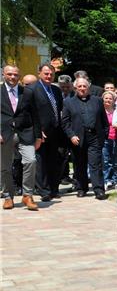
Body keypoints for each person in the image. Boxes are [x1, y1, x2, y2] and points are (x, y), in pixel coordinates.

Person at [61, 77, 108, 199]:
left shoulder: (97, 101)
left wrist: (104, 134)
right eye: (79, 86)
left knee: (95, 164)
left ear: (88, 87)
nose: (82, 88)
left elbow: (104, 120)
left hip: (94, 137)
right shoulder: (68, 102)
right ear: (75, 88)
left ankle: (98, 189)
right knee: (79, 164)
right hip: (78, 138)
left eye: (84, 86)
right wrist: (71, 135)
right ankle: (82, 188)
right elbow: (65, 122)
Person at [1, 64, 38, 210]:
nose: (12, 77)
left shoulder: (27, 92)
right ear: (3, 74)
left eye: (15, 74)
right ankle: (8, 196)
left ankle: (27, 195)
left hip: (26, 132)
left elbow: (35, 115)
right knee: (5, 167)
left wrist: (38, 136)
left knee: (31, 161)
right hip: (4, 134)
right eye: (9, 74)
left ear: (19, 76)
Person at [30, 63, 65, 202]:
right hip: (41, 132)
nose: (49, 76)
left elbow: (59, 109)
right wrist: (36, 130)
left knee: (54, 161)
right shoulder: (32, 89)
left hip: (55, 131)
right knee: (41, 162)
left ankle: (53, 189)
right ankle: (43, 190)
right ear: (39, 73)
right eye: (46, 73)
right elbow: (28, 112)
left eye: (51, 74)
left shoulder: (56, 90)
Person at [101, 90, 117, 190]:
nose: (108, 100)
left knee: (116, 160)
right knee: (106, 160)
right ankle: (106, 180)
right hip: (105, 138)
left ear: (114, 100)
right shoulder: (100, 111)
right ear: (103, 99)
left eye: (110, 98)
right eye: (106, 98)